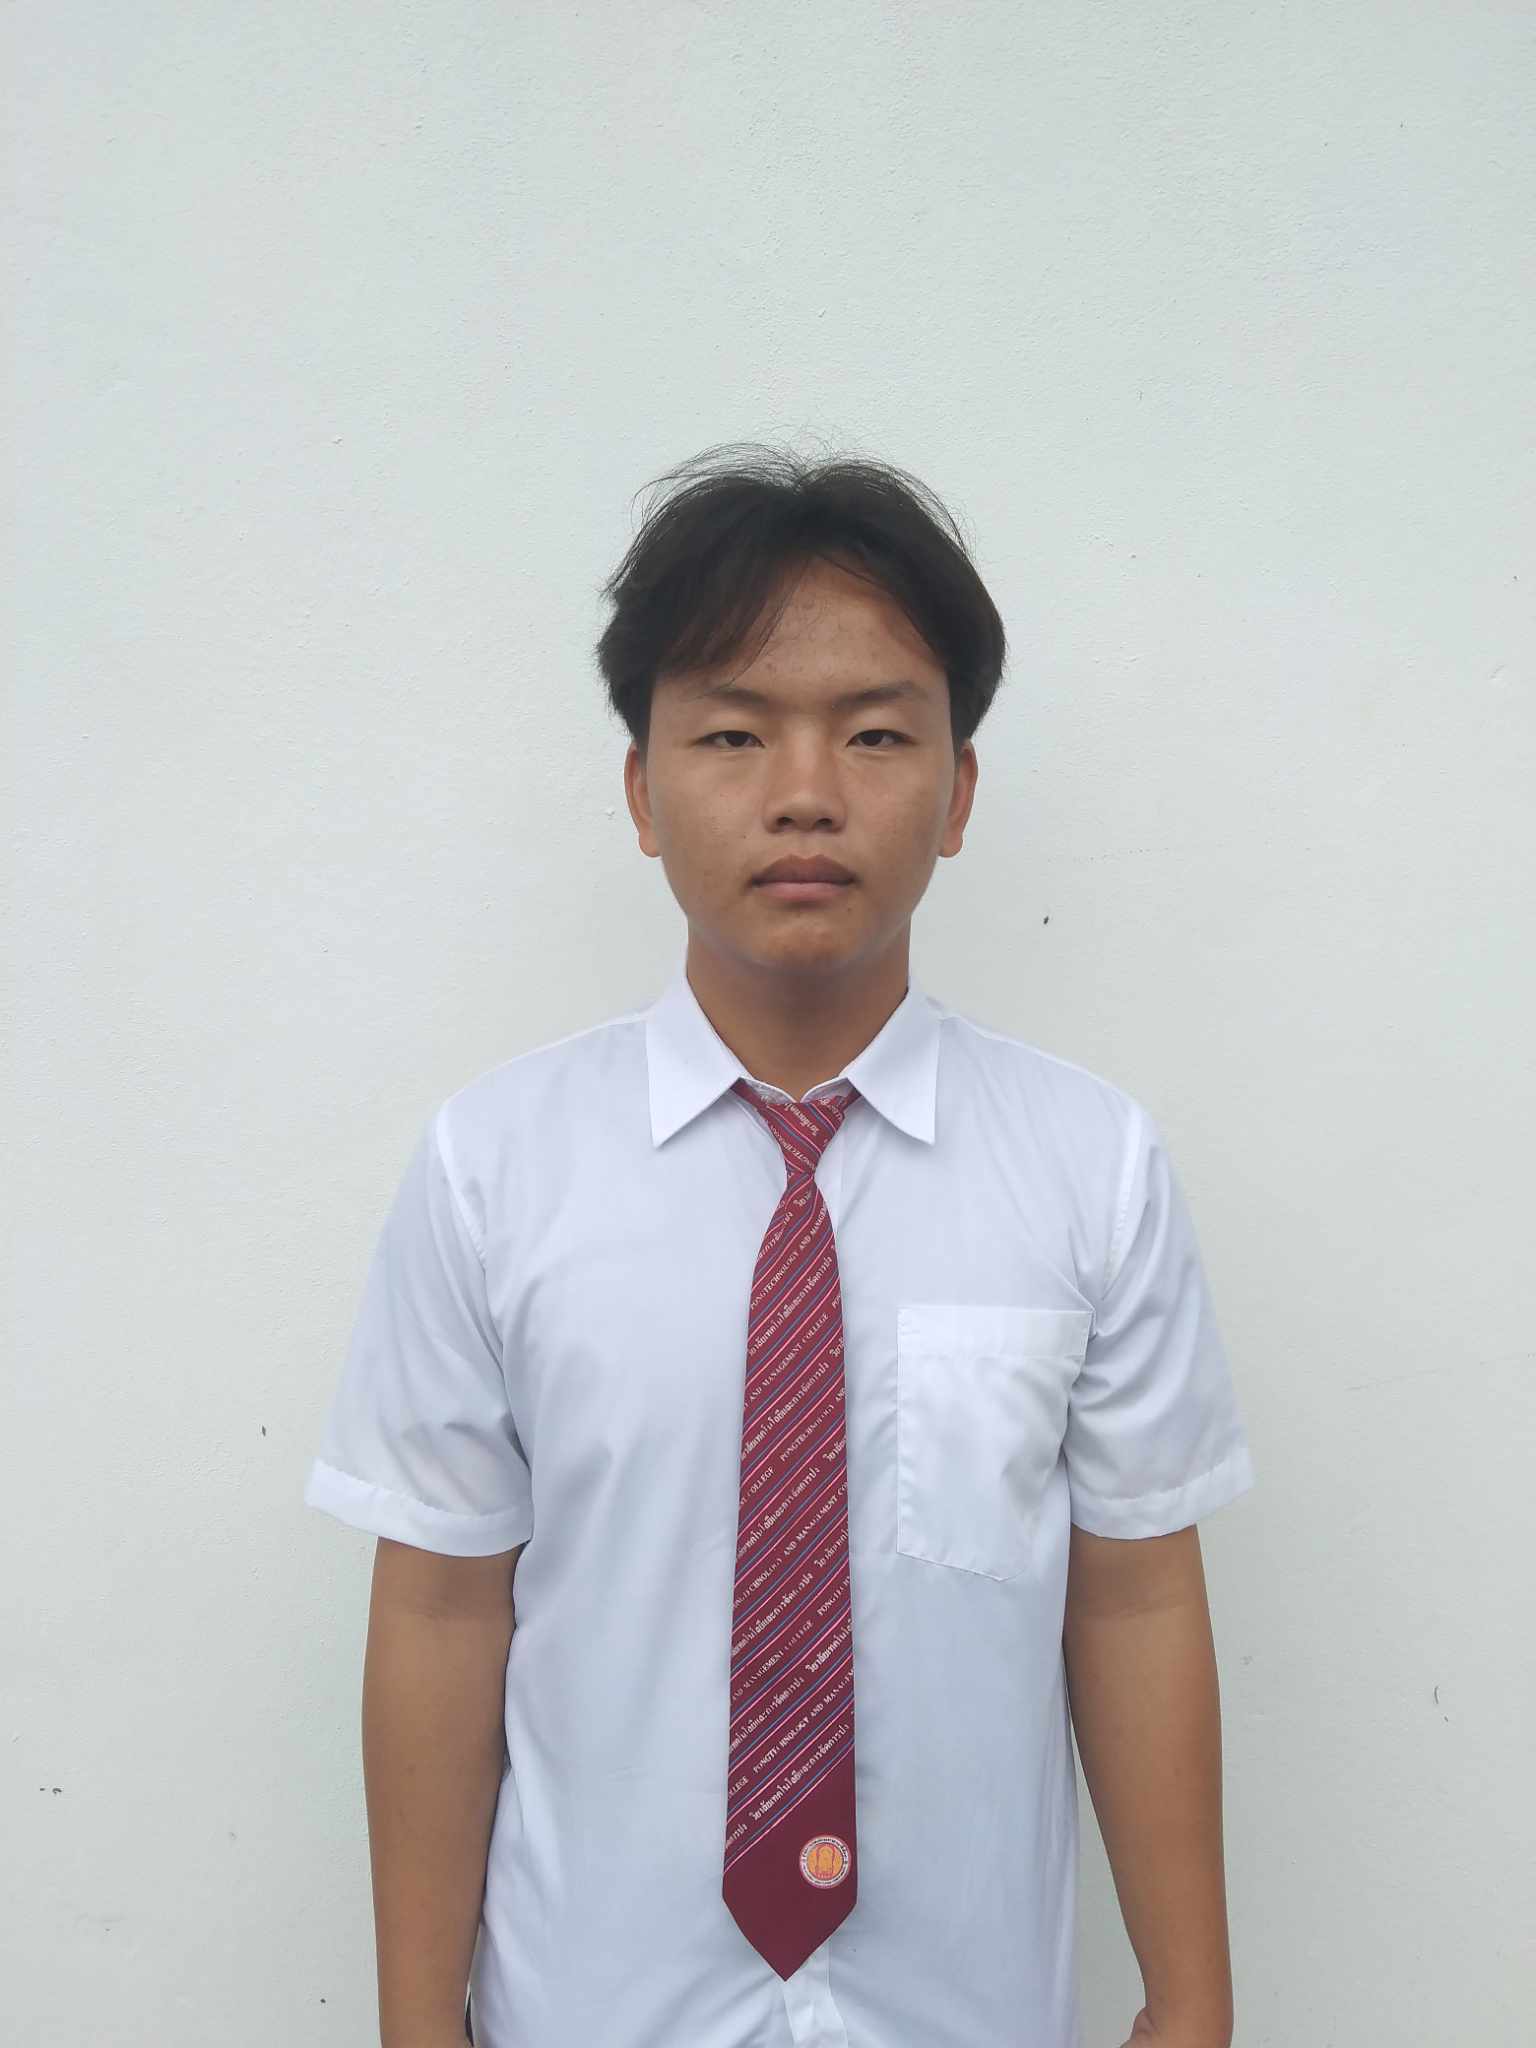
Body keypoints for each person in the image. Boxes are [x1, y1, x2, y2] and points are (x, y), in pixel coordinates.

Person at [304, 442, 1256, 2048]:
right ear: (641, 791)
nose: (806, 791)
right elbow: (443, 1611)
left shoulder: (1091, 1168)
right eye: (733, 732)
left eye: (876, 733)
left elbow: (1135, 1596)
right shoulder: (494, 1169)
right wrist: (415, 2024)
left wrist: (1193, 2001)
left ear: (958, 793)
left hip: (964, 2010)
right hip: (594, 2005)